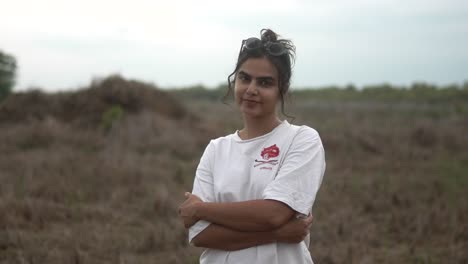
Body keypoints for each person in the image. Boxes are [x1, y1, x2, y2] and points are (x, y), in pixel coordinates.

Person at [178, 28, 326, 264]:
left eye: (265, 82)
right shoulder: (216, 149)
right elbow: (201, 234)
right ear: (234, 81)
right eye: (245, 78)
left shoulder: (302, 140)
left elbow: (273, 214)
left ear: (282, 90)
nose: (251, 89)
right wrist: (277, 234)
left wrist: (201, 210)